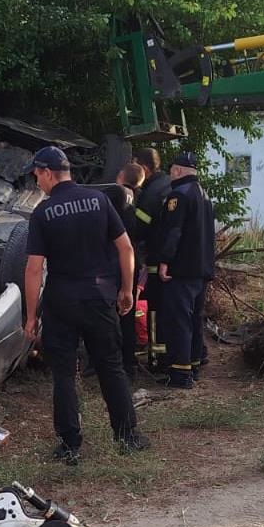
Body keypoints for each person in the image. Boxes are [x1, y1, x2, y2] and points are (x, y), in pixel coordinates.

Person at [22, 146, 149, 466]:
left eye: (37, 175)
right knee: (111, 367)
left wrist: (30, 316)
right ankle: (128, 437)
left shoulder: (42, 213)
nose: (37, 182)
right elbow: (126, 249)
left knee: (64, 375)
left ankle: (69, 446)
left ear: (48, 173)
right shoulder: (100, 201)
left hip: (61, 302)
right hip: (99, 298)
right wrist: (126, 289)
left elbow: (34, 269)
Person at [155, 151, 216, 389]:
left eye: (171, 171)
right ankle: (193, 364)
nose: (170, 176)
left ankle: (180, 374)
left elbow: (174, 232)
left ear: (178, 171)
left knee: (178, 320)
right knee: (194, 318)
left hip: (181, 269)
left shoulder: (178, 196)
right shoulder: (204, 194)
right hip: (201, 269)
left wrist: (164, 260)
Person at [131, 148, 171, 371]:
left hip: (156, 262)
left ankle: (157, 360)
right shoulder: (168, 182)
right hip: (173, 262)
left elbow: (138, 229)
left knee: (155, 313)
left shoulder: (150, 193)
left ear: (144, 168)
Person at [115, 162, 146, 379]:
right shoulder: (139, 199)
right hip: (133, 262)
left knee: (112, 312)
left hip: (116, 262)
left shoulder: (115, 196)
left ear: (120, 176)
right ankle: (129, 362)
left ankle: (113, 361)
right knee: (128, 311)